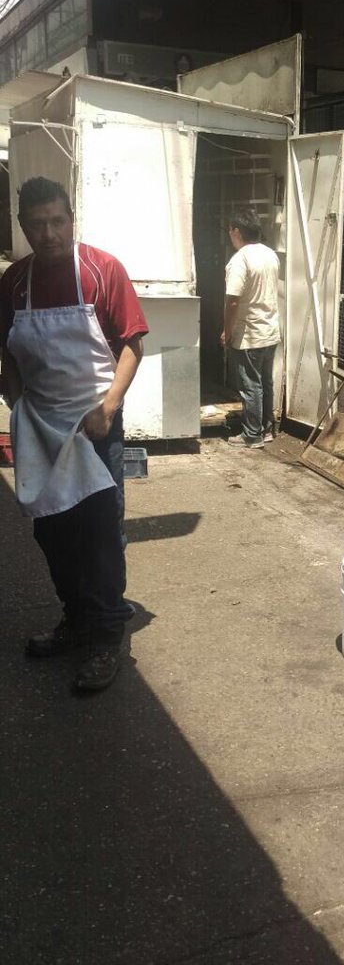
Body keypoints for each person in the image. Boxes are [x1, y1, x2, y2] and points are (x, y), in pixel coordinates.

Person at [0, 177, 148, 692]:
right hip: (40, 427)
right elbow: (9, 352)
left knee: (100, 531)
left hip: (94, 426)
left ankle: (106, 637)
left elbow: (132, 346)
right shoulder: (15, 282)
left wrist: (108, 408)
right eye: (37, 224)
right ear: (23, 228)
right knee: (53, 531)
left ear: (71, 219)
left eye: (57, 221)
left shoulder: (101, 270)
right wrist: (16, 400)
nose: (49, 234)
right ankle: (76, 618)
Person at [220, 209, 280, 448]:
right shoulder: (270, 254)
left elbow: (233, 301)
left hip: (250, 334)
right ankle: (266, 429)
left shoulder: (240, 260)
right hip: (270, 331)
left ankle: (252, 435)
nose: (229, 234)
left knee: (250, 386)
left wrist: (227, 331)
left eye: (230, 230)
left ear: (236, 231)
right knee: (265, 383)